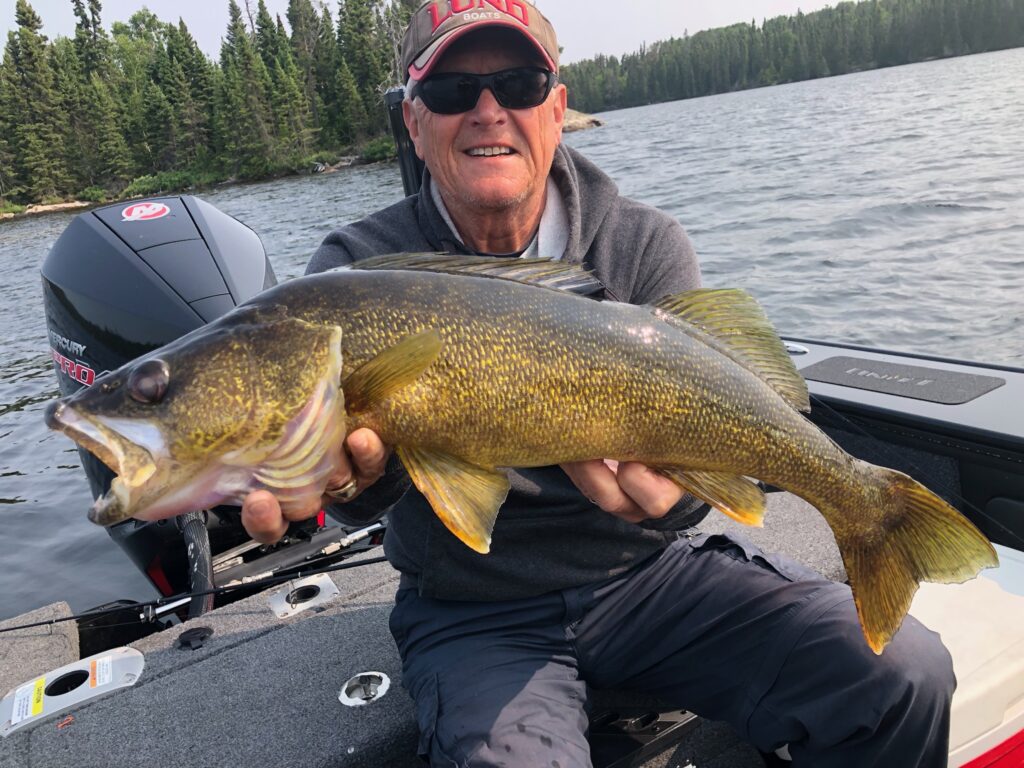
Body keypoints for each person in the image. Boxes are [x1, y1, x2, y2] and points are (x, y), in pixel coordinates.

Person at [242, 2, 955, 765]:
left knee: (903, 675)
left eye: (517, 84)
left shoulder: (642, 244)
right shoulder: (354, 275)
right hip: (474, 614)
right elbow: (364, 494)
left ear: (556, 107)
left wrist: (675, 500)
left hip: (645, 580)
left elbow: (704, 481)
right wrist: (351, 483)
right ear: (413, 122)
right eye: (451, 91)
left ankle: (869, 508)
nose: (488, 111)